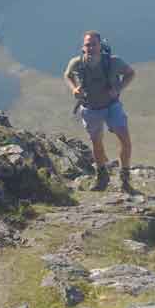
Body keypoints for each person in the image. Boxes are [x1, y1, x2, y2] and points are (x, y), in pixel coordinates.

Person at [64, 30, 135, 192]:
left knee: (125, 140)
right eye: (87, 45)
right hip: (90, 108)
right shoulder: (77, 63)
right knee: (96, 143)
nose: (90, 48)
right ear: (83, 47)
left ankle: (125, 178)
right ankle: (102, 177)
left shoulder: (113, 62)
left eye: (94, 44)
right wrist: (74, 89)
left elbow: (130, 73)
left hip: (112, 106)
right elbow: (67, 75)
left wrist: (119, 88)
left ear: (100, 45)